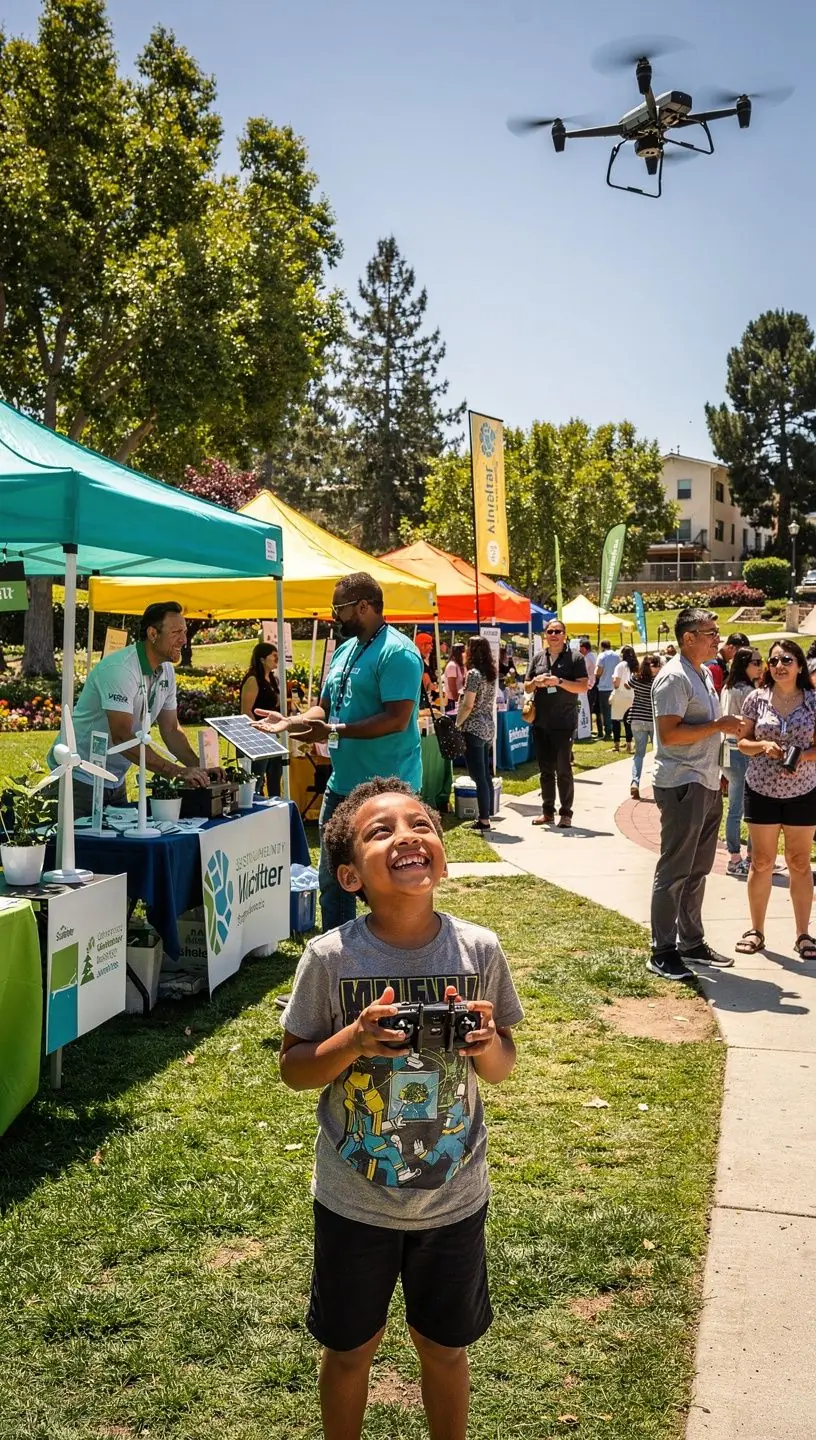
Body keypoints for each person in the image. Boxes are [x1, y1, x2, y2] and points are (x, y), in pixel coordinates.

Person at [279, 777, 523, 1440]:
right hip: (354, 1198)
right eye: (380, 830)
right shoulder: (330, 959)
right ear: (352, 875)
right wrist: (356, 1038)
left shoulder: (479, 951)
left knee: (445, 1348)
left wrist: (484, 1041)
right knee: (350, 1349)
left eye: (420, 824)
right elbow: (295, 1069)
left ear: (441, 853)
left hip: (453, 1195)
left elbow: (503, 1068)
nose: (408, 836)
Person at [252, 573, 422, 933]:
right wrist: (292, 721)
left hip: (388, 790)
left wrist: (333, 731)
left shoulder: (398, 651)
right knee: (333, 880)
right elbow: (325, 709)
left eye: (339, 608)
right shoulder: (346, 649)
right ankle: (338, 966)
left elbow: (397, 718)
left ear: (363, 606)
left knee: (387, 882)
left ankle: (393, 962)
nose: (334, 615)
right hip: (342, 786)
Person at [48, 600, 212, 817]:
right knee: (80, 848)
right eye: (176, 632)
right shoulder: (121, 669)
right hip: (79, 775)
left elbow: (171, 728)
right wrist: (176, 772)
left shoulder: (166, 671)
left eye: (184, 631)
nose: (184, 639)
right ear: (153, 633)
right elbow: (122, 736)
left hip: (115, 778)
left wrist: (200, 769)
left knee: (115, 848)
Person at [648, 607, 742, 981]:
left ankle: (691, 941)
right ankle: (662, 950)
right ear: (689, 637)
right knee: (674, 870)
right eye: (711, 632)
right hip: (681, 783)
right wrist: (719, 724)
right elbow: (670, 734)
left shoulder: (700, 672)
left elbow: (703, 732)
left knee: (698, 868)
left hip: (704, 780)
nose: (717, 638)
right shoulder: (673, 677)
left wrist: (716, 770)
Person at [734, 641, 816, 958]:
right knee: (762, 862)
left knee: (799, 863)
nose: (779, 665)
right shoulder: (756, 699)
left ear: (799, 665)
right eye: (774, 660)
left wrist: (803, 758)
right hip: (762, 789)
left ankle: (804, 934)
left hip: (804, 791)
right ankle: (756, 930)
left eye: (787, 659)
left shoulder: (812, 701)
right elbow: (742, 742)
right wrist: (762, 745)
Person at [524, 621, 588, 827]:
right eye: (550, 631)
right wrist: (536, 682)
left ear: (565, 635)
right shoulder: (538, 658)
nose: (553, 635)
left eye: (557, 631)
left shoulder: (575, 658)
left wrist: (558, 681)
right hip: (541, 722)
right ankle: (547, 811)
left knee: (563, 769)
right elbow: (526, 686)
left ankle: (566, 813)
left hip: (564, 723)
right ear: (545, 635)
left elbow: (583, 686)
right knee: (545, 770)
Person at [721, 647, 763, 877]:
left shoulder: (728, 688)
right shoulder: (746, 690)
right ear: (745, 664)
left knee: (737, 807)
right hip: (740, 750)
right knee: (741, 808)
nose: (761, 665)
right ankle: (737, 858)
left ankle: (747, 858)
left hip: (726, 749)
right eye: (756, 661)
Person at [455, 637, 497, 832]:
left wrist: (457, 723)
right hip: (488, 726)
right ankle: (488, 812)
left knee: (478, 776)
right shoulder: (490, 673)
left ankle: (484, 819)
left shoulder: (473, 674)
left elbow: (468, 704)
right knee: (485, 775)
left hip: (473, 727)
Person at [239, 642, 283, 798]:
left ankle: (275, 803)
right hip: (256, 737)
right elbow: (246, 711)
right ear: (262, 659)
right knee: (257, 779)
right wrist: (261, 733)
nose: (278, 658)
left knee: (275, 774)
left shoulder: (273, 680)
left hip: (272, 736)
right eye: (274, 655)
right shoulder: (253, 680)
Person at [629, 653, 661, 800]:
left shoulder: (636, 679)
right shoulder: (658, 682)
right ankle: (658, 785)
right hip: (652, 720)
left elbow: (626, 684)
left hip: (636, 719)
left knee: (638, 754)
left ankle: (635, 781)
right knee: (658, 754)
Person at [610, 645, 638, 754]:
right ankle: (629, 745)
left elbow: (616, 683)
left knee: (616, 720)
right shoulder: (636, 666)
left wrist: (613, 681)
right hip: (632, 695)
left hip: (620, 695)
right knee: (629, 721)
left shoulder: (620, 666)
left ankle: (616, 745)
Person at [594, 639, 620, 741]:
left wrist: (596, 675)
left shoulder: (602, 656)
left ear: (602, 646)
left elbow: (599, 671)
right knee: (614, 710)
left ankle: (608, 732)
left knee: (605, 711)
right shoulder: (616, 655)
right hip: (614, 686)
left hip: (604, 687)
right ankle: (615, 730)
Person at [579, 640, 598, 735]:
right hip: (593, 683)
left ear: (584, 648)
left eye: (580, 648)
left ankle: (588, 728)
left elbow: (583, 669)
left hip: (590, 684)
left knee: (588, 707)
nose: (579, 650)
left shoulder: (587, 658)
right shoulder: (593, 655)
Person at [443, 644, 466, 712]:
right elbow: (452, 686)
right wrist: (457, 700)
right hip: (452, 701)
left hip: (458, 699)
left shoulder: (460, 665)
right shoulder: (452, 666)